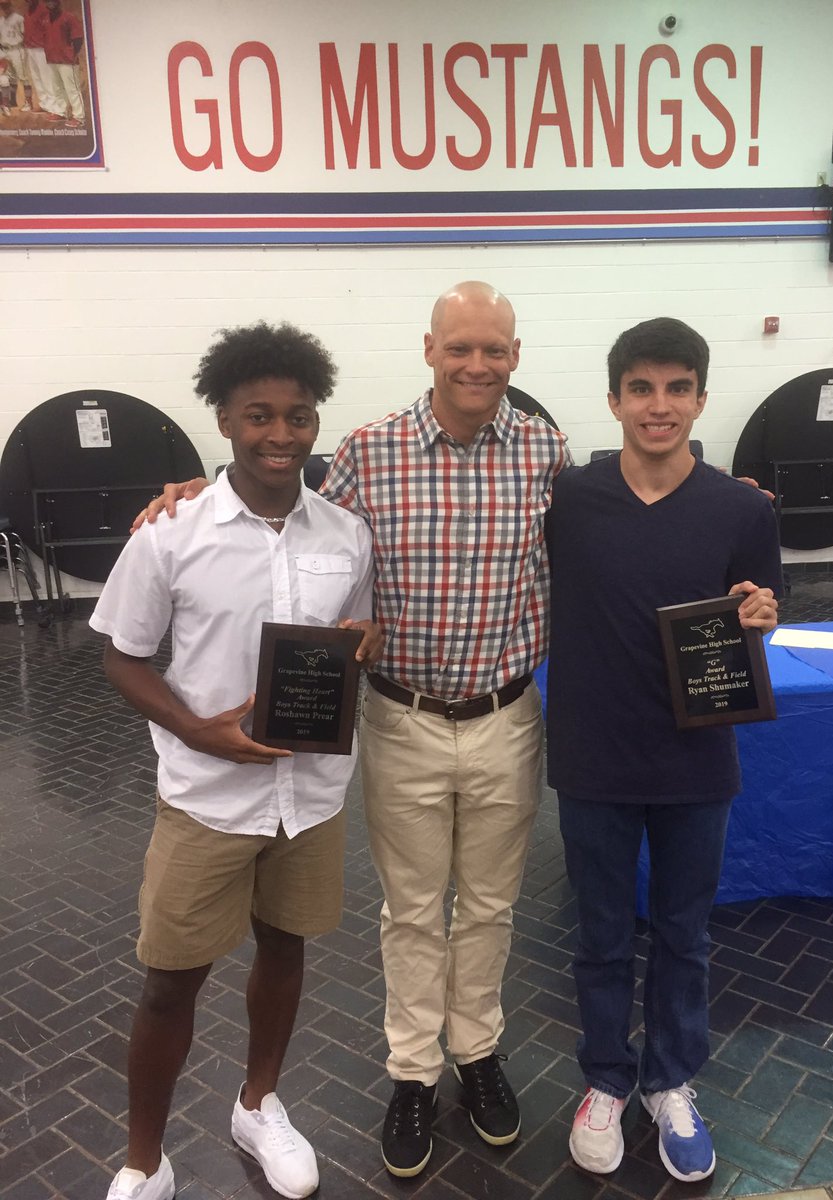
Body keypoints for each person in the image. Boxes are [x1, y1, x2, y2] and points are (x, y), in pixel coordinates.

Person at [134, 281, 572, 1180]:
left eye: (495, 349)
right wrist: (186, 492)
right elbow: (271, 497)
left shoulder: (547, 452)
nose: (478, 365)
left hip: (507, 716)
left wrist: (720, 500)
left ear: (516, 357)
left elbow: (618, 527)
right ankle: (412, 1071)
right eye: (461, 348)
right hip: (402, 719)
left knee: (490, 906)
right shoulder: (368, 454)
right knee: (411, 911)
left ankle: (477, 1053)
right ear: (429, 350)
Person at [90, 321, 381, 1200]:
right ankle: (145, 1159)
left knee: (285, 950)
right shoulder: (169, 534)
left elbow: (353, 641)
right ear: (224, 419)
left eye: (297, 416)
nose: (281, 435)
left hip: (311, 796)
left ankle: (257, 1104)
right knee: (170, 981)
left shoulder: (347, 534)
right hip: (208, 797)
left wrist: (360, 649)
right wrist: (194, 729)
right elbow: (121, 656)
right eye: (259, 415)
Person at [545, 317, 781, 1183]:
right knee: (602, 936)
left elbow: (762, 610)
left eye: (678, 388)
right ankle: (606, 1079)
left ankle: (670, 1080)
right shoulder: (566, 497)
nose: (659, 405)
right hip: (594, 757)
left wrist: (761, 616)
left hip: (696, 764)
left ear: (701, 398)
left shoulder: (740, 508)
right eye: (641, 388)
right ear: (613, 399)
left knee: (684, 935)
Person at [43, 0, 83, 126]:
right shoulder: (45, 20)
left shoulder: (69, 17)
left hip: (67, 60)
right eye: (47, 2)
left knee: (72, 89)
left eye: (53, 1)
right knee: (57, 88)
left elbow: (78, 38)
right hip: (52, 58)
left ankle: (79, 117)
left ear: (58, 2)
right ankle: (61, 112)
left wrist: (72, 54)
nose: (50, 4)